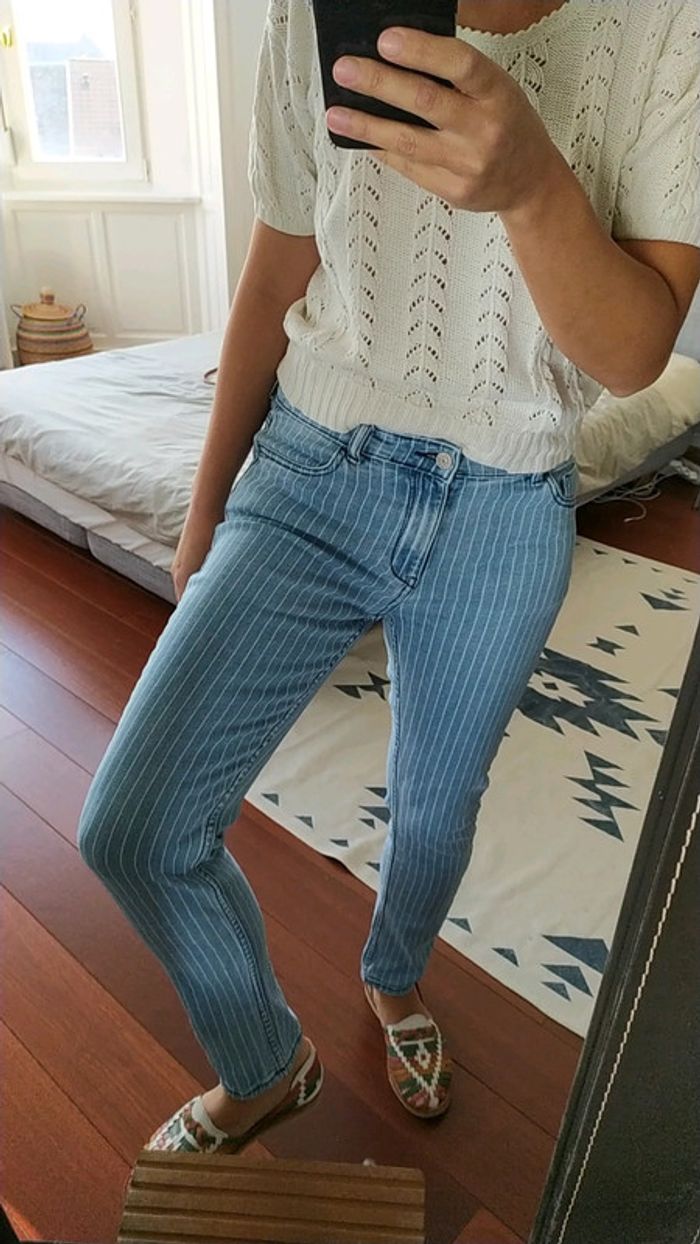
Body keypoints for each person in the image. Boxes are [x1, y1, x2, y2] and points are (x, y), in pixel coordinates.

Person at [78, 0, 700, 1153]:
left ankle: (394, 972)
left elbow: (631, 356)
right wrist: (205, 508)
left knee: (432, 811)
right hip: (308, 472)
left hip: (506, 507)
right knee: (133, 825)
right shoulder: (309, 9)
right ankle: (267, 1063)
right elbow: (273, 275)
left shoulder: (665, 26)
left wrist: (531, 185)